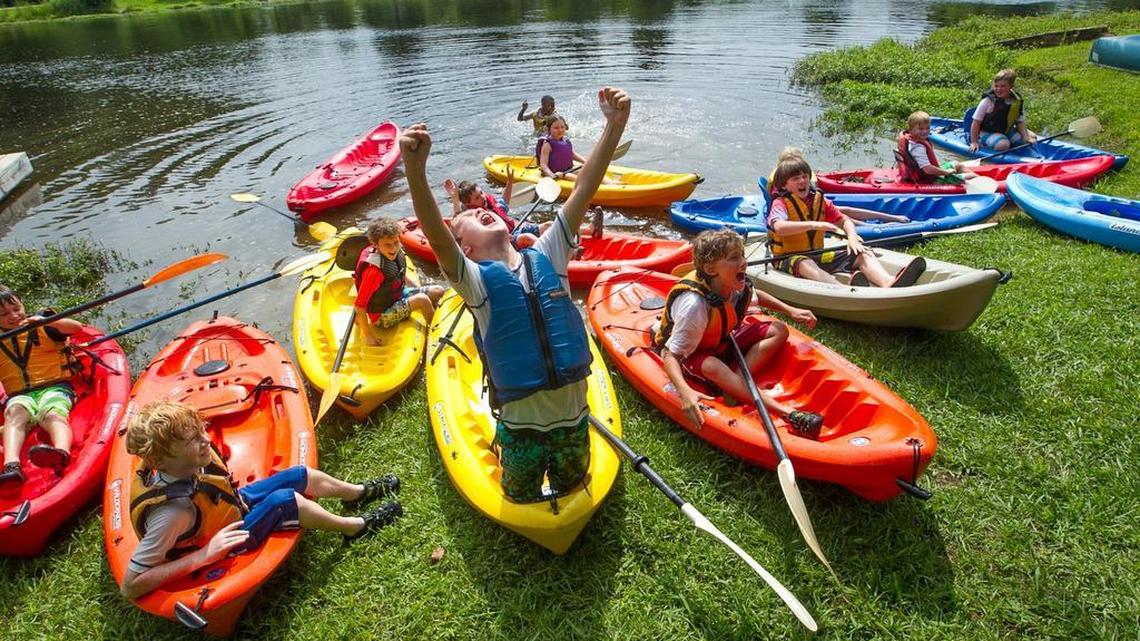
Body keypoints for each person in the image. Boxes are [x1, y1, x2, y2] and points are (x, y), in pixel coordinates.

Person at [402, 86, 629, 502]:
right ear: (464, 248)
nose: (476, 209)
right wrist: (415, 171)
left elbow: (584, 190)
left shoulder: (551, 251)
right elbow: (436, 234)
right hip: (522, 429)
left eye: (476, 208)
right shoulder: (474, 281)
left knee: (572, 485)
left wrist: (613, 126)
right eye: (467, 216)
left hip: (573, 420)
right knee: (519, 495)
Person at [119, 401, 402, 600]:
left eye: (200, 431)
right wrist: (204, 556)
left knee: (298, 474)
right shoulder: (172, 514)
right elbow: (131, 586)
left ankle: (356, 493)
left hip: (231, 507)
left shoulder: (188, 465)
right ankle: (354, 527)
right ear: (160, 460)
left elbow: (211, 491)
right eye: (193, 439)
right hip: (223, 540)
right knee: (285, 500)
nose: (205, 440)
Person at [654, 229, 824, 437]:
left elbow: (755, 296)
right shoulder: (694, 305)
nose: (743, 262)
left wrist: (790, 310)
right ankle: (788, 414)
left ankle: (735, 381)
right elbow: (670, 354)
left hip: (721, 341)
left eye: (742, 255)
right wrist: (684, 391)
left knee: (778, 330)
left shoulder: (733, 284)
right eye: (734, 258)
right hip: (694, 353)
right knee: (713, 366)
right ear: (710, 269)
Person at [767, 156, 925, 288]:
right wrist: (816, 224)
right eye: (796, 179)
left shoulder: (819, 199)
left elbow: (844, 221)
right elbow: (780, 227)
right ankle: (841, 289)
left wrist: (852, 237)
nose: (803, 181)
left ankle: (888, 282)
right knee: (804, 263)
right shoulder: (780, 203)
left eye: (805, 176)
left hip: (817, 255)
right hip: (788, 258)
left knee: (861, 251)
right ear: (783, 185)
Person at [0, 286, 81, 486]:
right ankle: (12, 466)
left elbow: (76, 328)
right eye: (3, 314)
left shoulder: (44, 324)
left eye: (16, 308)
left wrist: (50, 321)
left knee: (51, 413)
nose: (13, 316)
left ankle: (61, 452)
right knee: (15, 414)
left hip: (55, 387)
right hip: (20, 395)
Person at [353, 218, 445, 347]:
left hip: (397, 297)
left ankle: (437, 317)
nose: (394, 248)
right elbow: (359, 306)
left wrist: (418, 289)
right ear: (376, 245)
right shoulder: (373, 271)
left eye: (396, 242)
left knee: (438, 291)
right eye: (387, 245)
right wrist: (368, 335)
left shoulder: (396, 252)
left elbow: (399, 273)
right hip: (382, 316)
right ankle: (437, 334)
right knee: (422, 300)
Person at [768, 147, 908, 224]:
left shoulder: (804, 179)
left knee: (845, 209)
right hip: (799, 214)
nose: (801, 178)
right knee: (839, 215)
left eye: (803, 174)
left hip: (809, 208)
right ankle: (868, 227)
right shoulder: (780, 181)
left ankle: (892, 218)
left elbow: (813, 192)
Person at [897, 111, 977, 184]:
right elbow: (927, 169)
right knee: (974, 178)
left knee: (957, 164)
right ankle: (979, 181)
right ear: (911, 129)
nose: (925, 131)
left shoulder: (910, 139)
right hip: (930, 179)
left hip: (924, 174)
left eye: (927, 128)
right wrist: (946, 172)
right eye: (920, 129)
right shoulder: (918, 147)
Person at [969, 68, 1036, 152]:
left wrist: (1026, 137)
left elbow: (1020, 122)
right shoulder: (987, 101)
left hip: (1006, 130)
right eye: (996, 86)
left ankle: (1015, 145)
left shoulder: (1016, 100)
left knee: (1031, 138)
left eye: (1003, 86)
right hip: (986, 132)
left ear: (1011, 87)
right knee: (1003, 145)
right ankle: (995, 146)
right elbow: (976, 123)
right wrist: (974, 142)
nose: (998, 89)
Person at [536, 116, 587, 183]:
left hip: (570, 169)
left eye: (562, 127)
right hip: (559, 174)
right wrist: (553, 176)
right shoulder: (547, 145)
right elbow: (543, 165)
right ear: (549, 129)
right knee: (572, 177)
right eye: (556, 128)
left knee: (590, 169)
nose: (560, 130)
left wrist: (585, 161)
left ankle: (605, 184)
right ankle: (589, 185)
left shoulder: (566, 141)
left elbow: (572, 154)